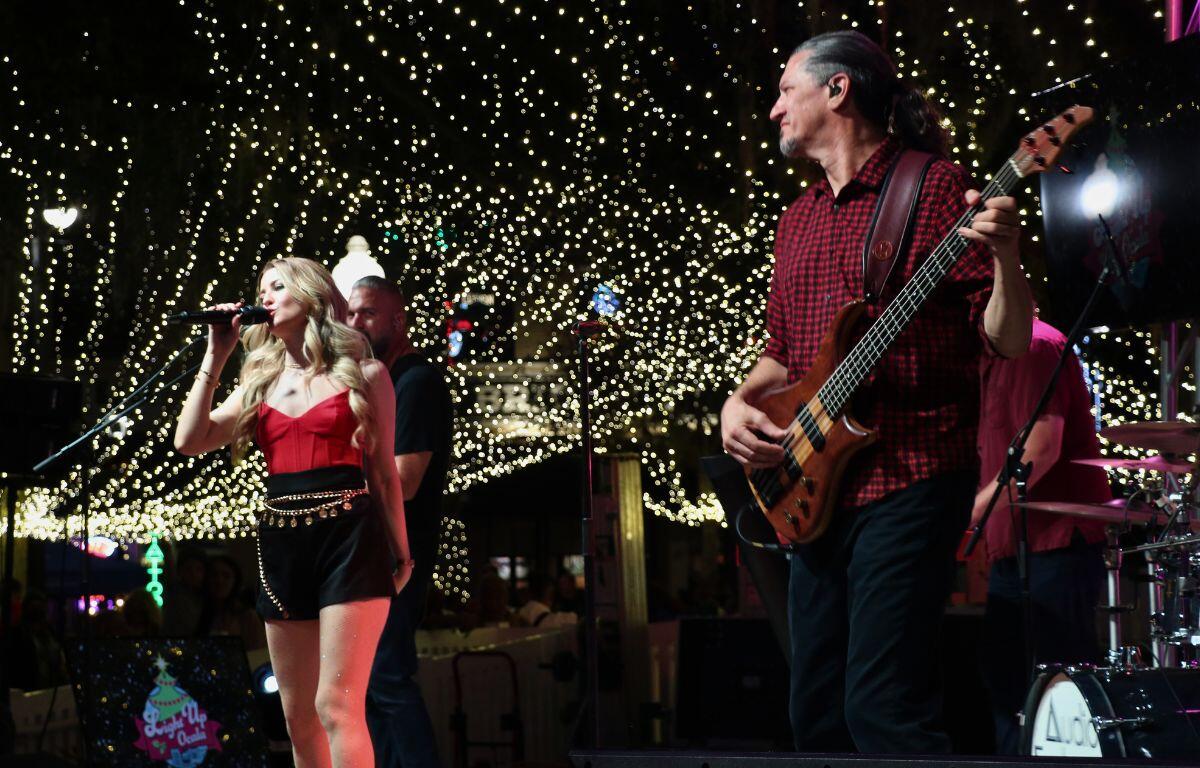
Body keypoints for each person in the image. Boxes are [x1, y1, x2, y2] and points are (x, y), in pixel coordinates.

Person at [719, 31, 1033, 753]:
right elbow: (780, 356)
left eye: (784, 90)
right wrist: (736, 404)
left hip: (911, 476)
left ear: (838, 91)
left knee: (883, 711)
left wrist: (1008, 256)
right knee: (817, 716)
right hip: (816, 490)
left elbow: (1008, 339)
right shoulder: (795, 221)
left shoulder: (934, 187)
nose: (773, 111)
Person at [174, 256, 413, 768]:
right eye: (261, 288)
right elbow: (190, 441)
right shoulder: (260, 383)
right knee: (297, 714)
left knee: (336, 705)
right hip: (283, 544)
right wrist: (217, 355)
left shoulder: (365, 373)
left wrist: (401, 553)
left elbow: (384, 474)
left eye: (277, 286)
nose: (264, 297)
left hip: (349, 541)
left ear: (311, 296)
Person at [973, 316, 1108, 754]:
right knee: (1010, 689)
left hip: (1055, 545)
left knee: (1062, 697)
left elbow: (1041, 448)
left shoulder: (1033, 347)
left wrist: (969, 512)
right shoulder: (991, 354)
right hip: (1016, 547)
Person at [349, 276, 450, 768]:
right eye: (349, 313)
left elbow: (405, 481)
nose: (354, 323)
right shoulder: (375, 383)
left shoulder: (416, 381)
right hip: (372, 551)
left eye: (367, 313)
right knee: (369, 684)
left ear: (397, 319)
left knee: (387, 677)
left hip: (398, 553)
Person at [196, 553, 268, 651]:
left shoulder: (248, 617)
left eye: (226, 576)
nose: (219, 581)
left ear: (235, 581)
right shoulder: (199, 613)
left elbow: (258, 653)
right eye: (214, 575)